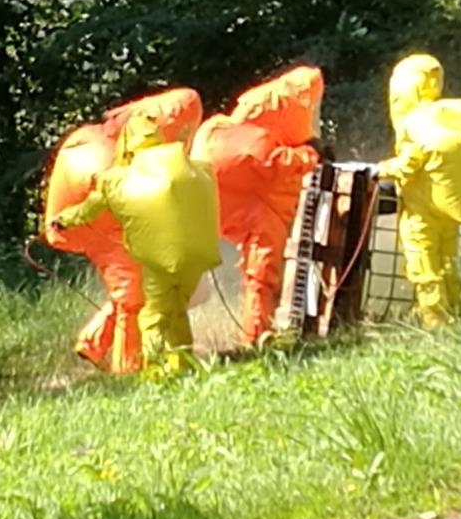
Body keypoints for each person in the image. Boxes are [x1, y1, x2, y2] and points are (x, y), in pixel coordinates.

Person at [41, 87, 202, 373]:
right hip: (96, 198)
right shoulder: (157, 138)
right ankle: (129, 371)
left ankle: (93, 344)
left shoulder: (139, 128)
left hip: (83, 185)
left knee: (137, 282)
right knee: (134, 294)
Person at [193, 66, 324, 344]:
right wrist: (312, 154)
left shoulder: (216, 128)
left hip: (195, 213)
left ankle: (110, 342)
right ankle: (256, 338)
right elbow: (281, 163)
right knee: (261, 278)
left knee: (153, 288)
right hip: (254, 216)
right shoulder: (258, 144)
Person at [378, 54, 461, 328]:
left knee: (424, 265)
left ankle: (435, 321)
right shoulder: (450, 115)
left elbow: (408, 166)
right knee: (447, 261)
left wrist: (381, 169)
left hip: (423, 210)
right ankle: (455, 307)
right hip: (447, 207)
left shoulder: (415, 122)